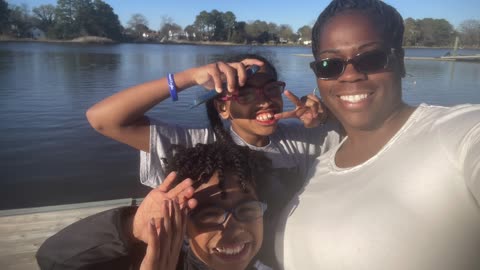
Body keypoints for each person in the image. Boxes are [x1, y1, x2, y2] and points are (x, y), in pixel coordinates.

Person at [275, 0, 480, 269]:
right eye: (330, 65)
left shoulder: (460, 134)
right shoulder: (321, 164)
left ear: (401, 62)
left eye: (371, 58)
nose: (350, 75)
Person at [85, 53, 341, 267]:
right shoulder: (195, 146)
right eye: (246, 94)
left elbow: (369, 131)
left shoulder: (301, 139)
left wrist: (326, 117)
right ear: (223, 107)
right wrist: (188, 77)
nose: (265, 101)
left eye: (271, 89)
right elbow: (103, 119)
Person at [36, 141, 273, 270]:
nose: (234, 229)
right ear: (182, 226)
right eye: (209, 215)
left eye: (247, 210)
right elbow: (53, 258)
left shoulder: (274, 258)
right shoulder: (154, 261)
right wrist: (131, 228)